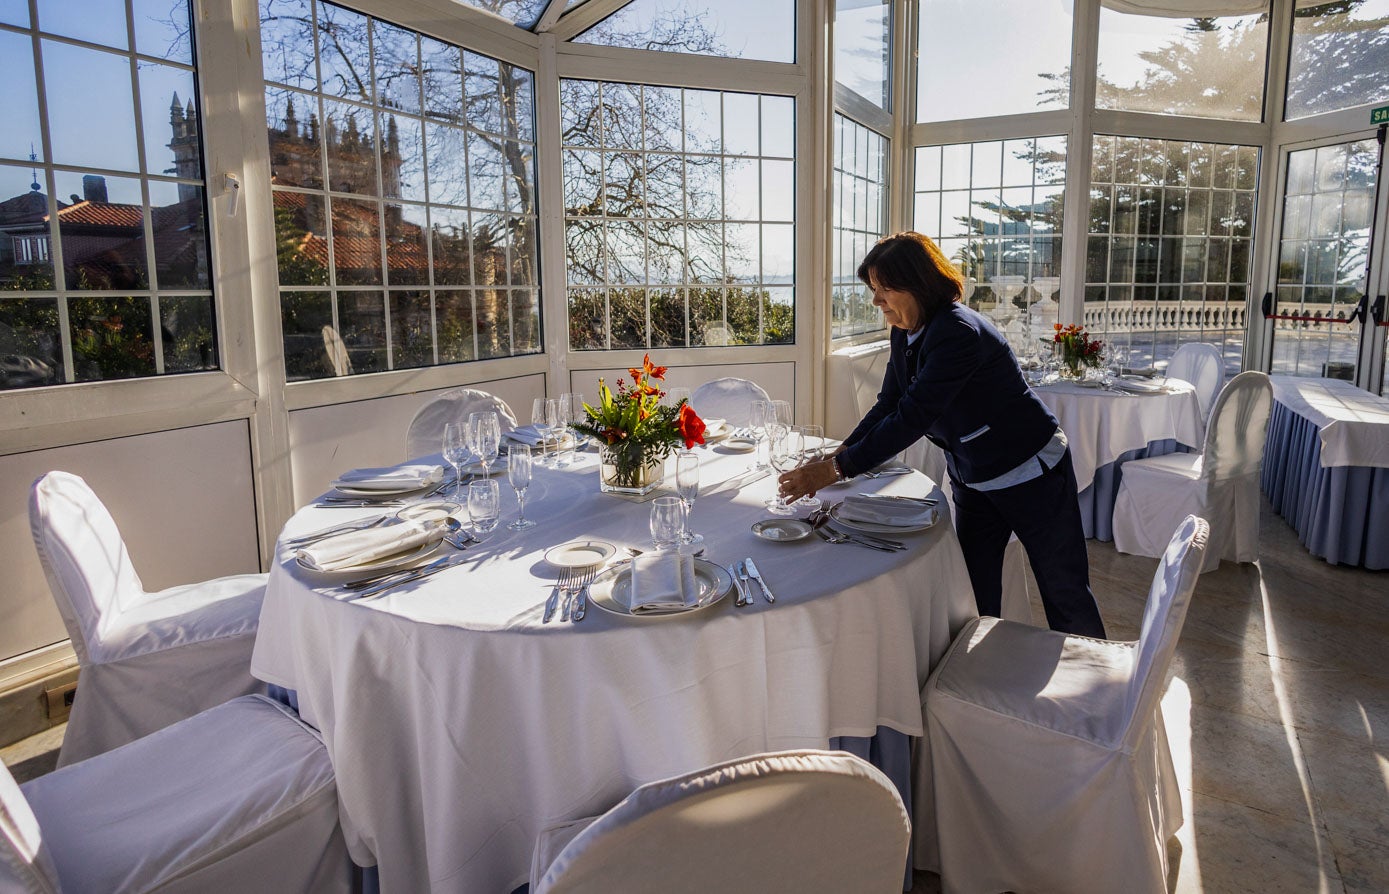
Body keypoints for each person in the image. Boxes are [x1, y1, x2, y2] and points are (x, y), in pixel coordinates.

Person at [777, 232, 1106, 638]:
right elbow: (889, 404)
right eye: (874, 290)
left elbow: (913, 417)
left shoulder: (958, 332)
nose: (876, 301)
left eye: (883, 289)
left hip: (1032, 474)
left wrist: (836, 470)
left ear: (917, 284)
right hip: (974, 478)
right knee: (972, 592)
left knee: (1065, 593)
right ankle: (984, 682)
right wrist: (840, 452)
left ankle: (1098, 693)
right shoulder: (904, 330)